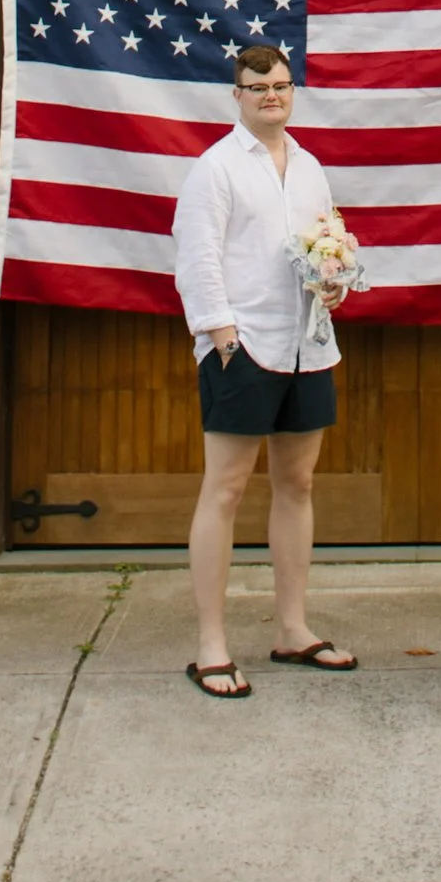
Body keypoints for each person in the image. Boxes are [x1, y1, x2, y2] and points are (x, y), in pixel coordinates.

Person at [170, 40, 360, 697]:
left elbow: (323, 240)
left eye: (281, 84)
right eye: (259, 87)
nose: (272, 95)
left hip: (308, 344)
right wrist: (224, 338)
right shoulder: (216, 168)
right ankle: (211, 646)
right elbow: (198, 259)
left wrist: (333, 281)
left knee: (298, 484)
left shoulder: (307, 165)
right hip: (244, 346)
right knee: (224, 490)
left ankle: (292, 628)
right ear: (238, 95)